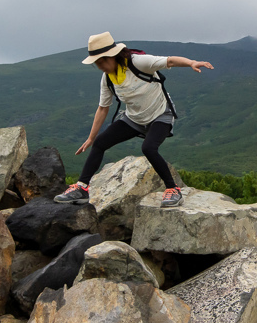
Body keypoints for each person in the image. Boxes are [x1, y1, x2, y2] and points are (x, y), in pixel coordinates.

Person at [55, 31, 214, 208]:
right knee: (100, 143)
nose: (100, 66)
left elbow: (169, 61)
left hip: (160, 114)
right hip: (134, 118)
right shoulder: (108, 78)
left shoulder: (137, 63)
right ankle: (82, 188)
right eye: (97, 63)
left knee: (148, 148)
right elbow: (102, 108)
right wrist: (91, 138)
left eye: (102, 61)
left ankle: (173, 189)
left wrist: (191, 63)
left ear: (113, 55)